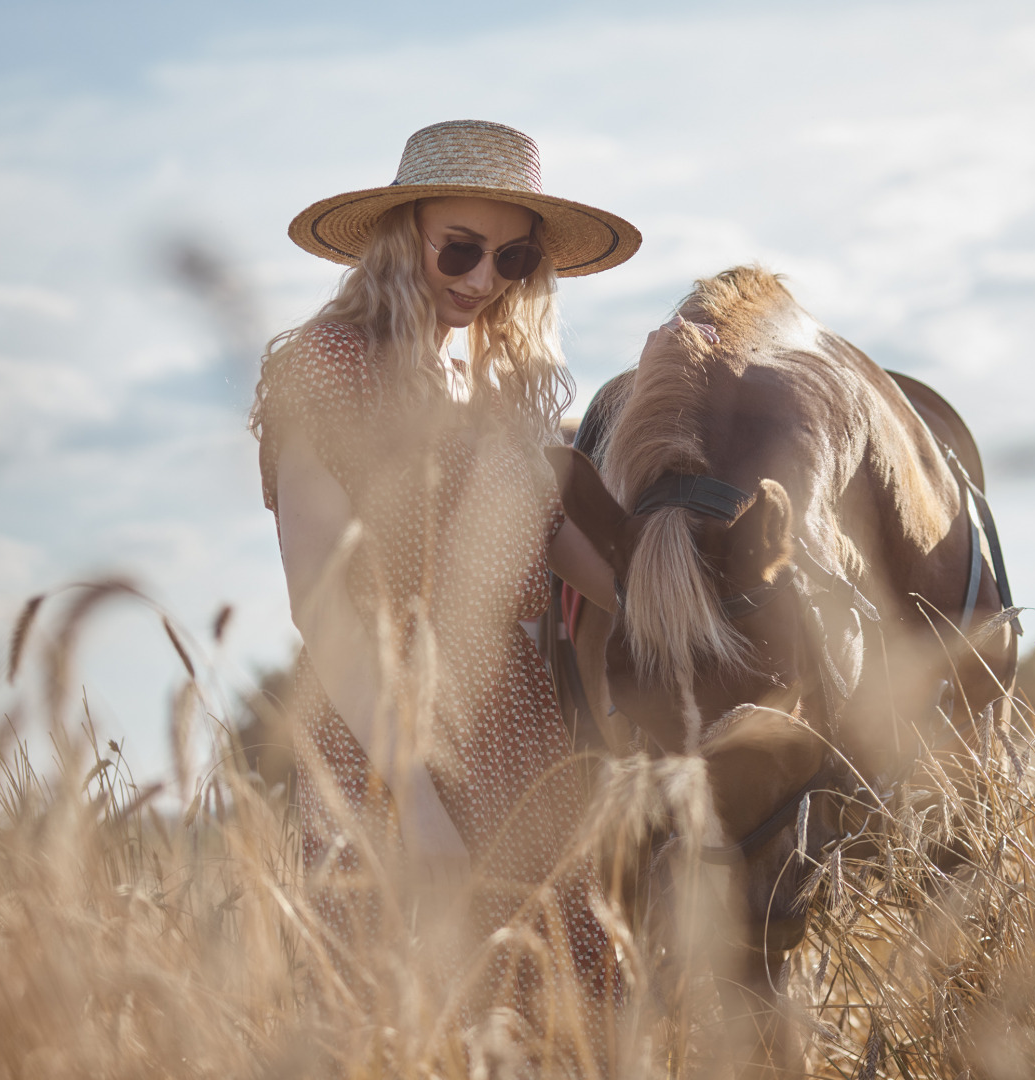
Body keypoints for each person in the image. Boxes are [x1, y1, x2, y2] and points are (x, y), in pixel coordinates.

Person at [250, 119, 637, 1071]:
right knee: (403, 1018)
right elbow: (323, 606)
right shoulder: (324, 369)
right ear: (400, 235)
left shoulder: (494, 392)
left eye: (511, 257)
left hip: (518, 732)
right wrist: (412, 797)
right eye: (458, 249)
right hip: (378, 739)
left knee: (560, 1025)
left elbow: (588, 572)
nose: (481, 279)